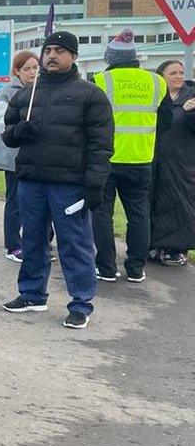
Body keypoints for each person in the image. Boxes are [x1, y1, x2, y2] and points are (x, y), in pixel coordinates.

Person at [2, 31, 113, 329]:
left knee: (75, 245)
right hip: (31, 182)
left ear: (73, 56)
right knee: (33, 240)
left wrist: (94, 184)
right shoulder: (27, 94)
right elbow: (8, 135)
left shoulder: (90, 96)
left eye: (60, 51)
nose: (52, 55)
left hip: (70, 185)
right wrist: (21, 131)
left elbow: (101, 145)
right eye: (48, 50)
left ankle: (80, 303)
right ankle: (32, 294)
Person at [91, 29, 166, 283]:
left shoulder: (101, 81)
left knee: (102, 214)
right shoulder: (157, 82)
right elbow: (165, 120)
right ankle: (136, 268)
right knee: (139, 214)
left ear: (110, 58)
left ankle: (106, 268)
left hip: (106, 159)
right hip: (142, 158)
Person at [0, 51, 39, 262]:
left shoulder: (39, 91)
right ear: (17, 71)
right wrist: (22, 127)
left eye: (35, 67)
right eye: (27, 68)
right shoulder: (7, 93)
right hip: (12, 157)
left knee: (35, 202)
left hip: (35, 157)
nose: (32, 72)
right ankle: (12, 245)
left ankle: (38, 244)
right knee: (15, 202)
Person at [149, 60, 195, 266]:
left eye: (181, 72)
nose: (178, 77)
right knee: (154, 202)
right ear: (162, 76)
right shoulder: (156, 96)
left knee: (179, 203)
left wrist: (188, 112)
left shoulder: (191, 98)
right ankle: (154, 244)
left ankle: (177, 249)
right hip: (154, 159)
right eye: (173, 73)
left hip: (181, 161)